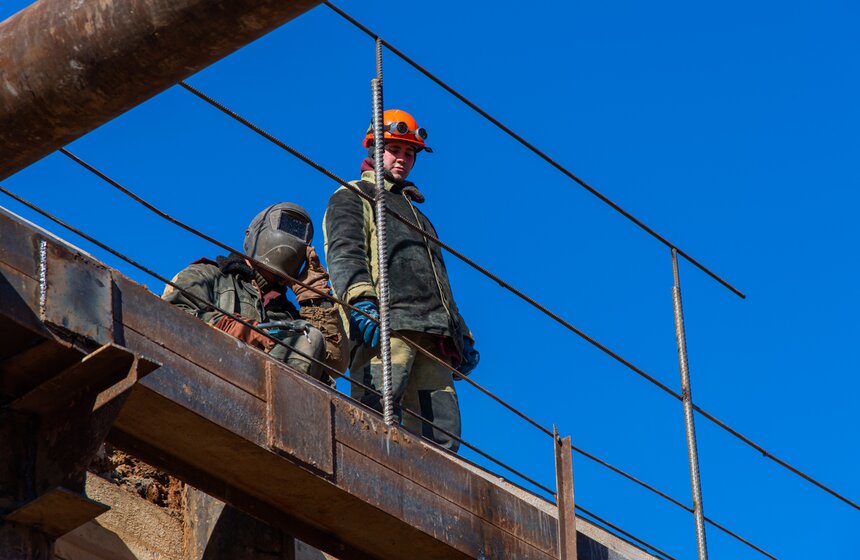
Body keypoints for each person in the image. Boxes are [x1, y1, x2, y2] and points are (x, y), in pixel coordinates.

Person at [323, 109, 479, 452]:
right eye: (395, 150)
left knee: (441, 435)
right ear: (373, 149)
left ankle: (435, 498)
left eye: (410, 153)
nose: (403, 159)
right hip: (387, 327)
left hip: (434, 339)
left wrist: (460, 333)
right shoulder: (352, 196)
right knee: (374, 418)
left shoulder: (421, 219)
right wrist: (360, 301)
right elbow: (345, 252)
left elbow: (438, 283)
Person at [163, 202, 347, 384]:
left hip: (266, 395)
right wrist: (229, 326)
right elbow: (169, 315)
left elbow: (332, 365)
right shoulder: (209, 275)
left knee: (310, 338)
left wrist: (315, 301)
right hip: (206, 376)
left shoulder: (288, 315)